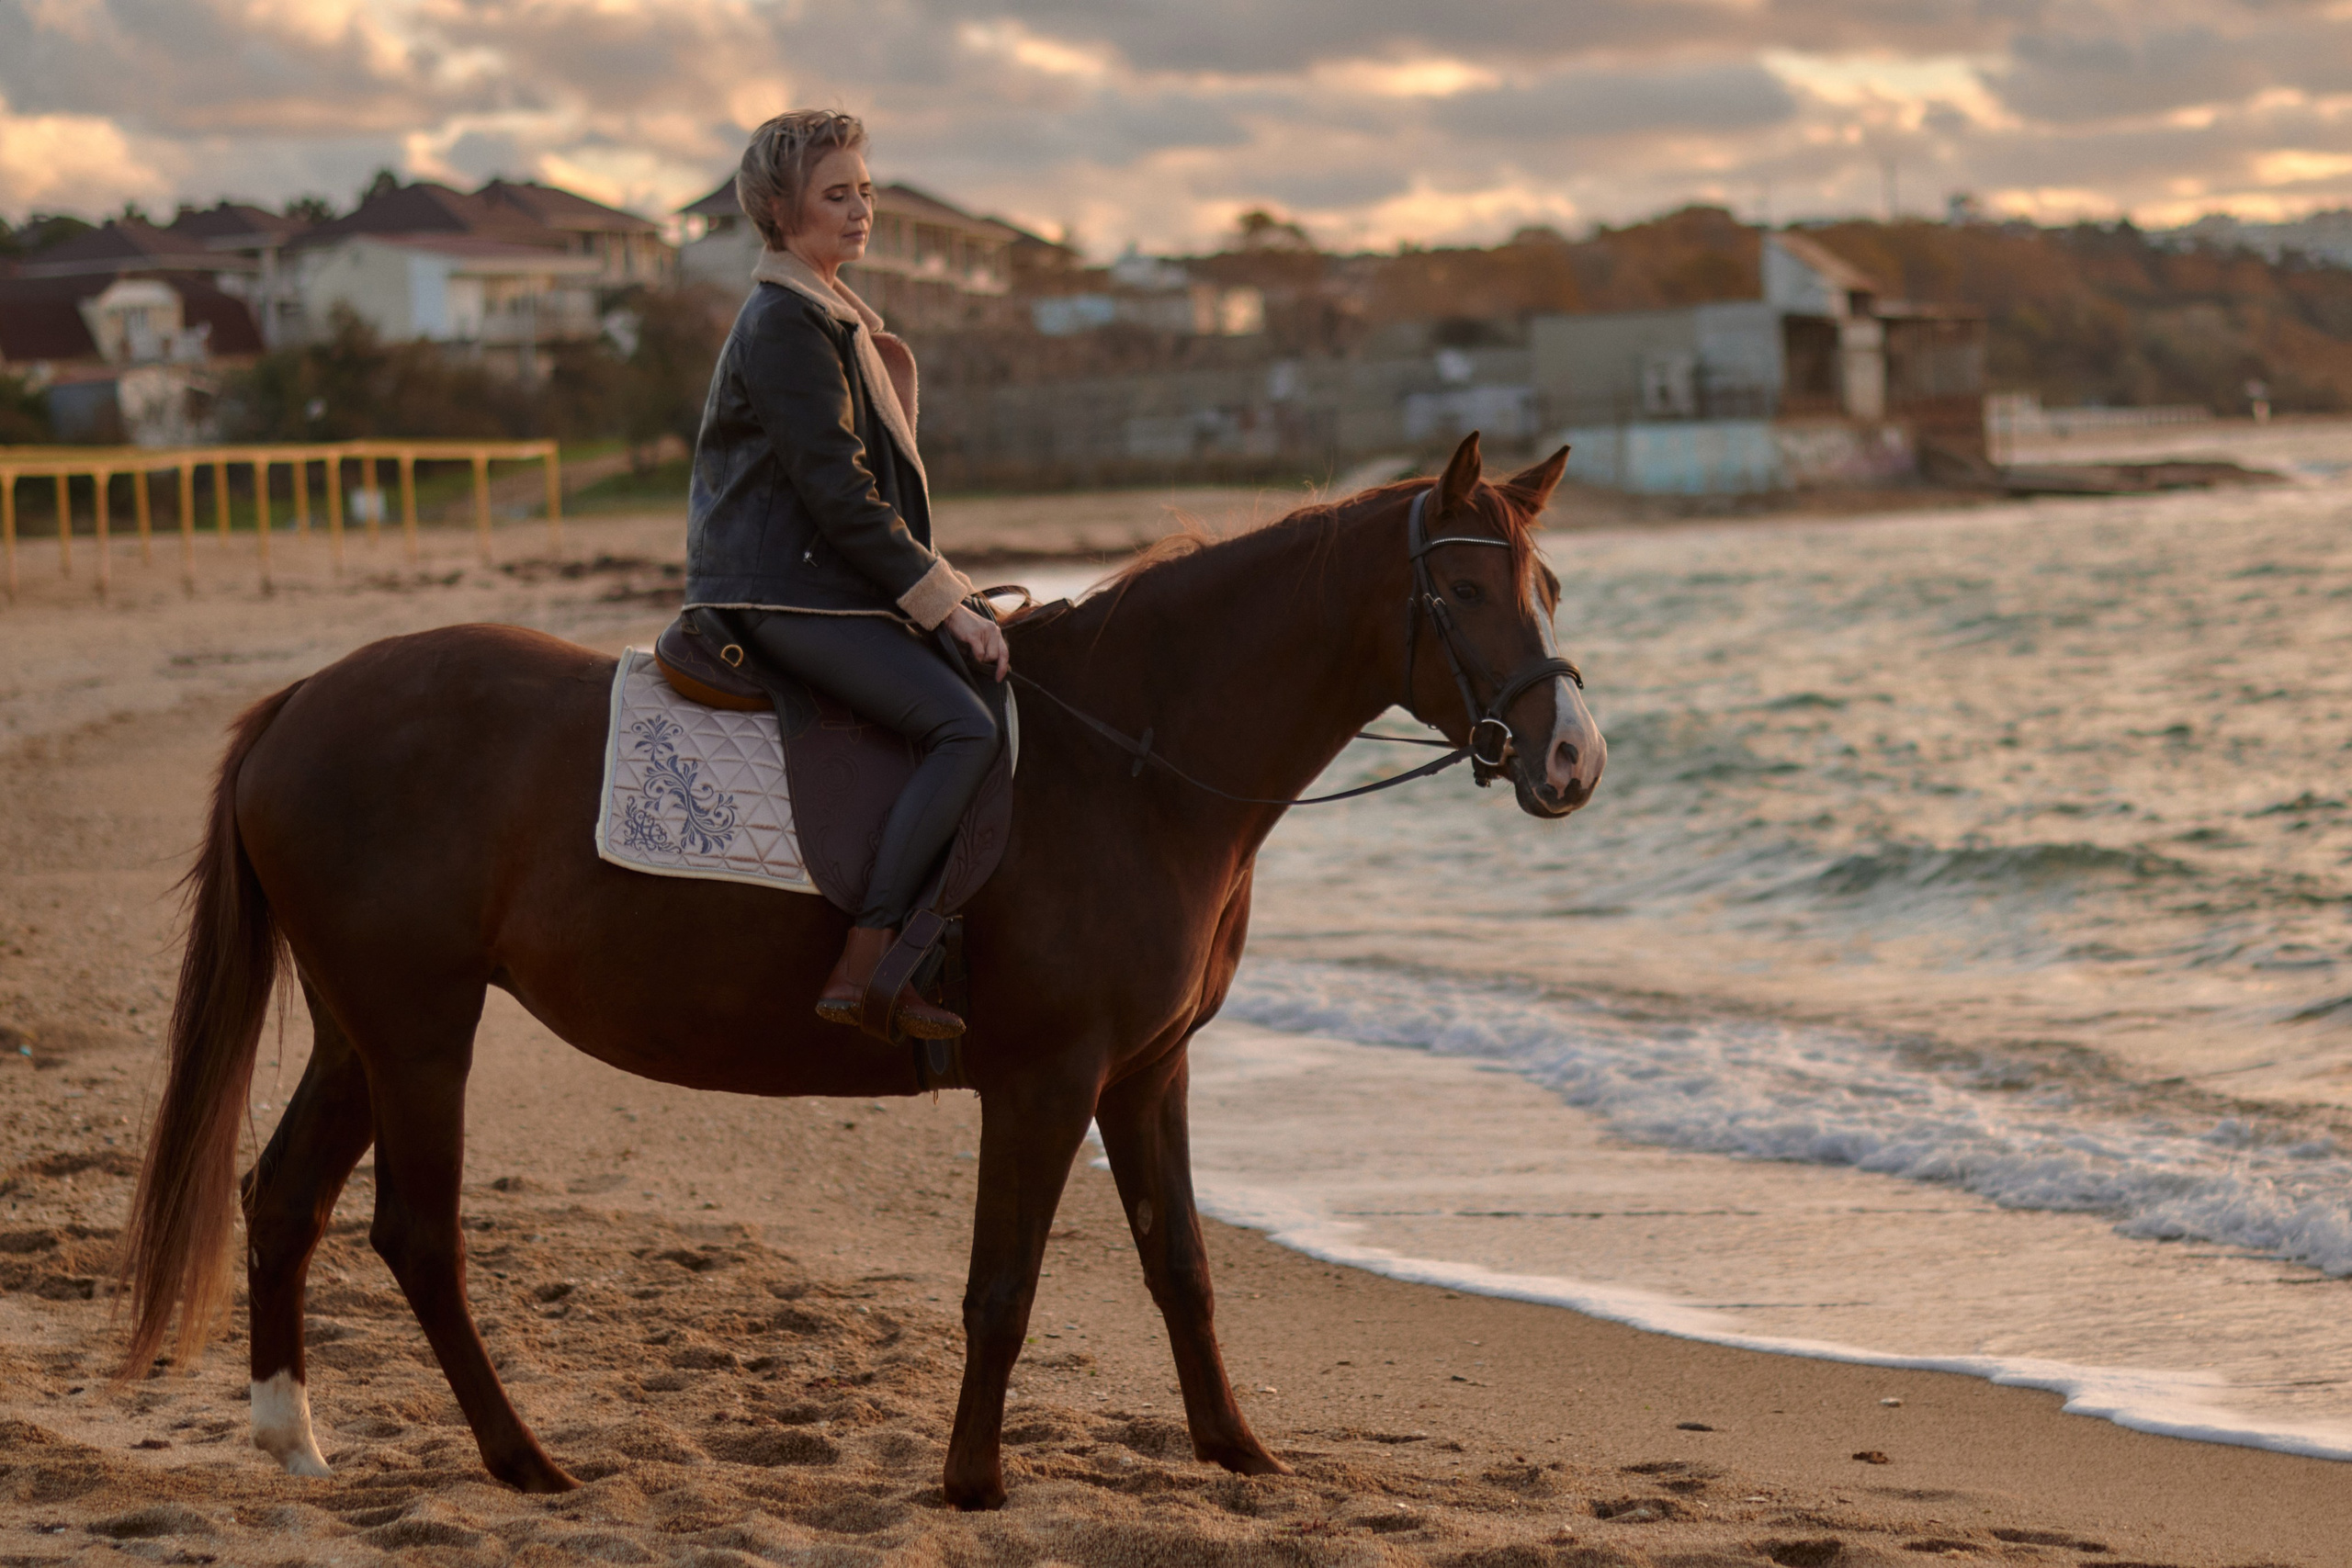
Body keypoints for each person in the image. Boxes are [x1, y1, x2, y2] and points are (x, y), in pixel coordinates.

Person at [684, 108, 1007, 1041]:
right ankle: (869, 962)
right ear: (781, 211)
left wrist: (950, 592)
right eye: (837, 195)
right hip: (779, 588)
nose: (861, 210)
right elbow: (838, 494)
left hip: (819, 579)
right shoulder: (787, 321)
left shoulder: (825, 312)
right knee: (963, 728)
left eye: (865, 190)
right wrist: (945, 604)